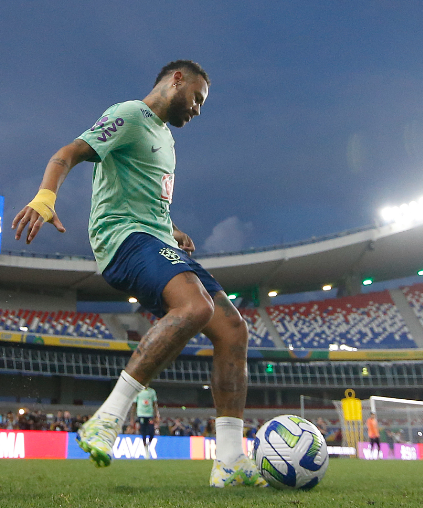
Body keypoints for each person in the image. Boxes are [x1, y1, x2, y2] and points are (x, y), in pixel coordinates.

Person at [12, 59, 267, 488]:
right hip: (123, 239)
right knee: (194, 308)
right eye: (198, 99)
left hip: (156, 238)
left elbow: (150, 203)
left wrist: (173, 228)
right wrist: (44, 197)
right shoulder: (130, 114)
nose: (198, 110)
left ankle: (230, 458)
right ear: (177, 80)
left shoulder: (166, 139)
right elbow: (68, 153)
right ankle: (107, 418)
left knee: (233, 329)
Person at [129, 385, 160, 458]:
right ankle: (145, 448)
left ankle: (148, 444)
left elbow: (154, 404)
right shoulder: (138, 391)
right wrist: (132, 418)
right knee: (143, 432)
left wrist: (157, 415)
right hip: (141, 415)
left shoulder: (152, 391)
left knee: (152, 432)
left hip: (149, 415)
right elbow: (134, 405)